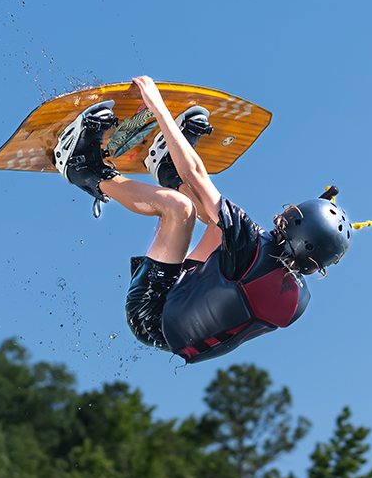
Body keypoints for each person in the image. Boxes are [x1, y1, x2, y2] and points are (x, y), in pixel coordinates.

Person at [54, 76, 352, 364]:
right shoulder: (296, 297)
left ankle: (87, 170)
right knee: (219, 223)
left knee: (178, 208)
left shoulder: (250, 245)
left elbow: (195, 173)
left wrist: (158, 108)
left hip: (151, 312)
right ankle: (167, 169)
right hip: (181, 321)